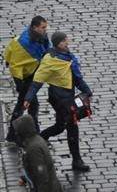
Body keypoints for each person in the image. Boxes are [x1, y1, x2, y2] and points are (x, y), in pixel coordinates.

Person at [24, 32, 92, 171]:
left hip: (68, 96)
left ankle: (42, 137)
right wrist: (28, 98)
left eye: (67, 40)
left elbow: (76, 78)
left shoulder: (67, 57)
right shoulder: (50, 60)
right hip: (59, 98)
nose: (67, 43)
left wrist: (87, 91)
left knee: (61, 126)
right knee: (72, 126)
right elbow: (37, 81)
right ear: (57, 44)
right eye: (63, 42)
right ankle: (77, 161)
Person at [4, 16, 50, 142]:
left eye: (45, 27)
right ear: (35, 27)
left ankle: (15, 134)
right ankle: (20, 134)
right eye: (43, 27)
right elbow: (15, 65)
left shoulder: (41, 37)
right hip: (23, 78)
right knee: (25, 105)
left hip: (31, 73)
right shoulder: (23, 43)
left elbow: (46, 51)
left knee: (30, 105)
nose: (45, 30)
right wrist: (19, 83)